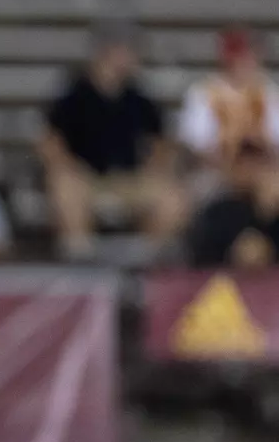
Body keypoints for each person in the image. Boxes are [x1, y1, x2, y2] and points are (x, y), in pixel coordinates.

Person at [41, 22, 179, 258]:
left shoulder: (138, 98)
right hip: (87, 179)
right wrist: (69, 168)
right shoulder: (74, 95)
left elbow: (160, 143)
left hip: (129, 179)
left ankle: (150, 255)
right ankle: (80, 253)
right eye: (127, 51)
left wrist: (154, 169)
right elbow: (50, 141)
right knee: (64, 187)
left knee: (171, 197)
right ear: (108, 52)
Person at [179, 28, 279, 173]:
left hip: (261, 167)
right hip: (215, 169)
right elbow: (196, 141)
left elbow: (275, 137)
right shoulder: (204, 93)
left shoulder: (267, 93)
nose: (247, 63)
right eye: (242, 57)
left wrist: (259, 140)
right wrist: (231, 143)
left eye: (251, 57)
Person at [187, 141, 279, 267]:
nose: (250, 170)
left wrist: (267, 214)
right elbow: (202, 256)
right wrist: (233, 254)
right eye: (243, 164)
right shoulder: (217, 212)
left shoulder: (274, 211)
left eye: (257, 163)